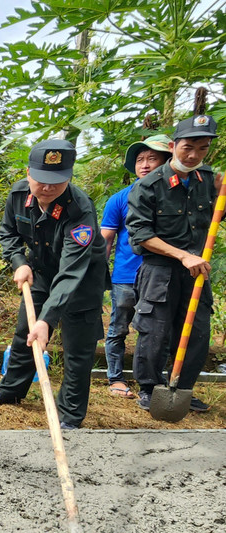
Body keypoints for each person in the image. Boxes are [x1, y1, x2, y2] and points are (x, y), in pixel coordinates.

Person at [0, 140, 106, 430]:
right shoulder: (18, 194)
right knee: (26, 331)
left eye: (57, 182)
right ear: (28, 173)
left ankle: (70, 415)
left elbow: (72, 271)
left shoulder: (80, 210)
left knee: (77, 347)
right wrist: (18, 262)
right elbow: (8, 233)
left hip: (81, 279)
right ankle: (10, 391)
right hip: (40, 271)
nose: (47, 188)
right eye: (41, 180)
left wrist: (48, 320)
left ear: (69, 178)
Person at [126, 115, 219, 413]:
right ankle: (150, 388)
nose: (193, 155)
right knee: (154, 331)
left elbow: (215, 218)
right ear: (173, 145)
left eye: (202, 149)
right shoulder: (150, 185)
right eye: (188, 147)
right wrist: (182, 254)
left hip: (197, 273)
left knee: (197, 333)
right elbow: (140, 236)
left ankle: (182, 388)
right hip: (160, 271)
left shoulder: (209, 181)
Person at [100, 134, 171, 399]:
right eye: (140, 159)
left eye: (152, 158)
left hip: (162, 277)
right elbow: (105, 240)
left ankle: (152, 384)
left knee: (154, 330)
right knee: (118, 327)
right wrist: (99, 274)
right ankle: (115, 378)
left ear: (166, 161)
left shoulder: (176, 198)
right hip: (126, 277)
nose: (145, 164)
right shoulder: (119, 199)